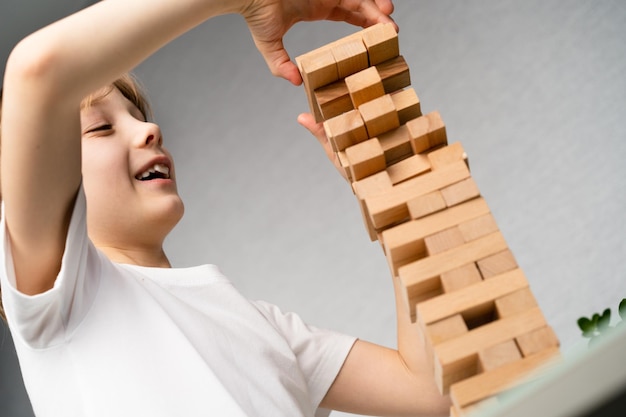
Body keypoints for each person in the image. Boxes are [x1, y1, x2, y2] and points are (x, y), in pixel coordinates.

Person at [0, 0, 450, 416]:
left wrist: (389, 192)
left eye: (139, 115)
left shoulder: (263, 326)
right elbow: (38, 71)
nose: (149, 128)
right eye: (101, 127)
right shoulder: (63, 298)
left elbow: (428, 391)